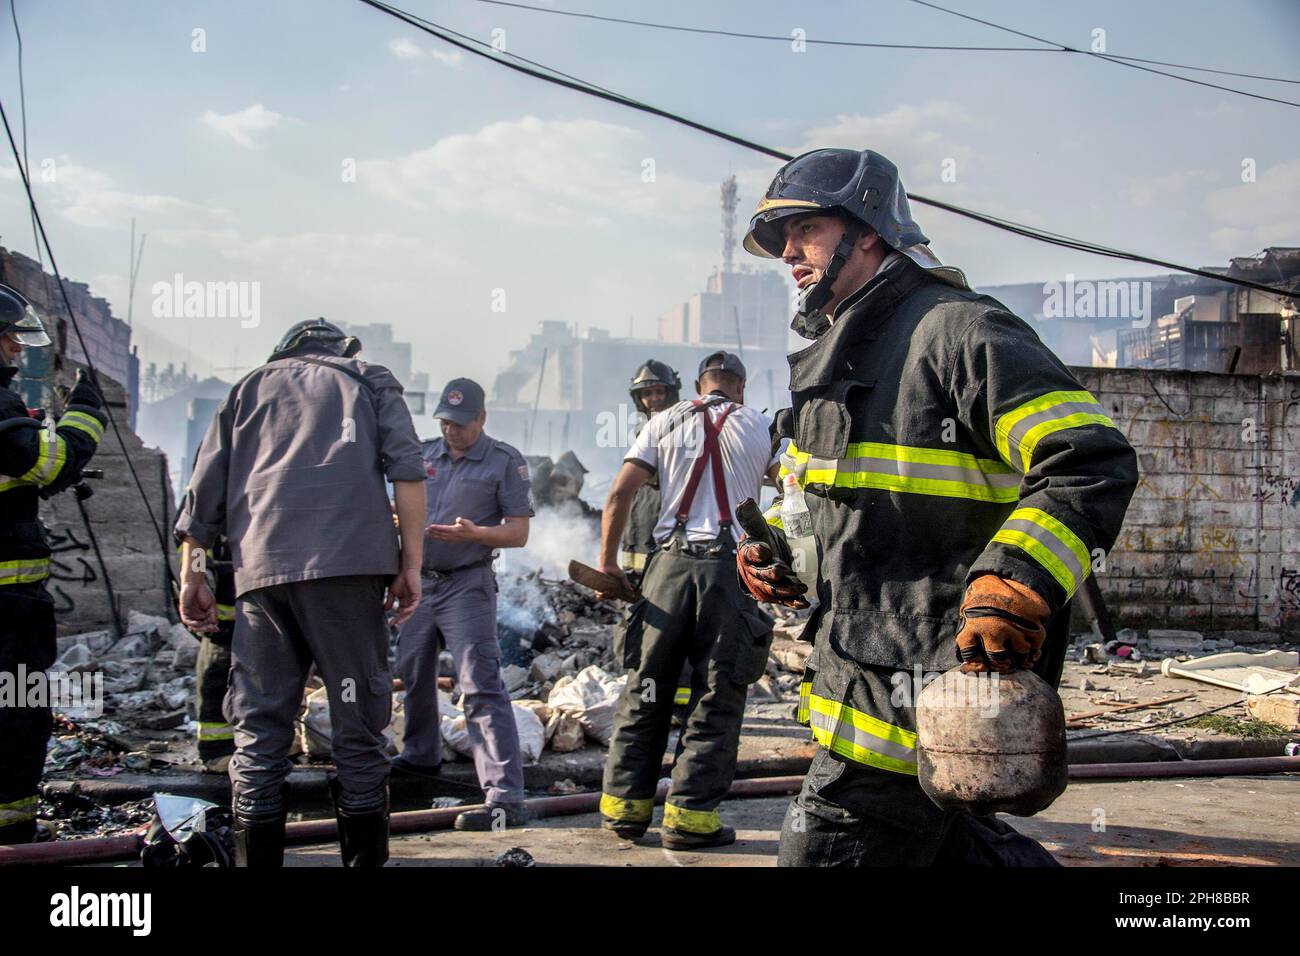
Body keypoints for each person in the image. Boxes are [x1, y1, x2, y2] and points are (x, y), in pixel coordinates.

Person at [736, 147, 1139, 866]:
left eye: (807, 230)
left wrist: (1014, 580)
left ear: (867, 229)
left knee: (821, 853)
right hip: (866, 689)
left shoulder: (959, 331)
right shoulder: (845, 348)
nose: (789, 253)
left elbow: (1087, 460)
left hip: (940, 691)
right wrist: (781, 559)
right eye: (782, 239)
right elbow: (832, 503)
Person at [176, 318, 426, 867]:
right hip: (349, 575)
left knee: (261, 727)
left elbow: (201, 502)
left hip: (261, 575)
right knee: (358, 725)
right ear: (341, 350)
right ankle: (362, 862)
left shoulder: (247, 389)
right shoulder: (370, 379)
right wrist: (412, 564)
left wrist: (192, 574)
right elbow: (408, 474)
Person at [596, 351, 779, 850]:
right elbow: (790, 486)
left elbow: (619, 493)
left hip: (668, 568)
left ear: (699, 386)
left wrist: (609, 562)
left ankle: (624, 813)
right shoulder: (757, 426)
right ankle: (690, 820)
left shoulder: (664, 420)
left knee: (646, 687)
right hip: (730, 572)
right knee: (716, 694)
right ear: (739, 388)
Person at [393, 377, 536, 831]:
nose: (451, 431)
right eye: (444, 422)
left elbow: (518, 532)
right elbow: (394, 506)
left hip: (466, 584)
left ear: (481, 418)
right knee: (413, 673)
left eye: (460, 423)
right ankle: (419, 758)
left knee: (479, 682)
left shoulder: (504, 461)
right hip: (419, 580)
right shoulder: (421, 454)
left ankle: (503, 793)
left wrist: (475, 534)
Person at [0, 284, 108, 845]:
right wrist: (87, 413)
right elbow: (52, 464)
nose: (17, 350)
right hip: (7, 608)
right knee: (17, 712)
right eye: (7, 339)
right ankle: (12, 832)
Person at [620, 360, 694, 718]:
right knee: (642, 623)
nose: (652, 399)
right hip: (639, 539)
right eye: (646, 393)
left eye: (658, 392)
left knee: (674, 625)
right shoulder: (643, 430)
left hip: (669, 544)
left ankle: (677, 702)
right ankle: (644, 694)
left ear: (671, 392)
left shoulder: (687, 428)